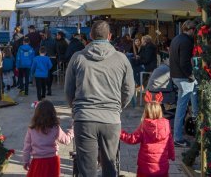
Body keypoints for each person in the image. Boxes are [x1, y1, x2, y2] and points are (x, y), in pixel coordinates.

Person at [64, 20, 135, 177]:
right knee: (110, 166)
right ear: (109, 36)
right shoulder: (121, 59)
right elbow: (129, 90)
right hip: (110, 119)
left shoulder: (78, 58)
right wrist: (118, 107)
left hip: (84, 118)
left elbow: (68, 90)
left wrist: (77, 109)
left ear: (90, 35)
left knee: (87, 169)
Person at [120, 91, 175, 177]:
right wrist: (172, 155)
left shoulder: (144, 126)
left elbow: (132, 139)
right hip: (162, 166)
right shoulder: (166, 125)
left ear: (146, 112)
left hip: (145, 168)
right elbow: (170, 143)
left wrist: (120, 133)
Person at [23, 100, 74, 177]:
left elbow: (27, 148)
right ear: (52, 113)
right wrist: (72, 130)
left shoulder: (31, 129)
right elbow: (66, 140)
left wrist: (26, 161)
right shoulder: (55, 128)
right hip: (52, 161)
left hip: (37, 162)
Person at [169, 20, 197, 147]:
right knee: (181, 108)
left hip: (176, 76)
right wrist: (191, 76)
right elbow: (184, 63)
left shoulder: (176, 39)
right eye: (194, 31)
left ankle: (178, 136)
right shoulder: (186, 41)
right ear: (191, 30)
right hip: (183, 77)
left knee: (182, 105)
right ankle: (178, 138)